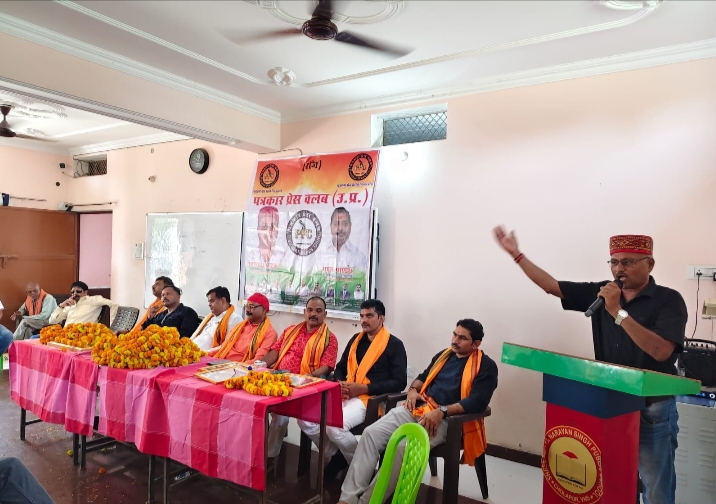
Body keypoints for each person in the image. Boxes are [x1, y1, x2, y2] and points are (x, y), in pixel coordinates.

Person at [493, 227, 686, 504]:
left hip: (652, 407)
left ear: (650, 264)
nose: (619, 269)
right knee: (618, 479)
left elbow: (660, 351)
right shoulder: (603, 293)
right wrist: (516, 254)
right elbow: (551, 286)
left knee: (655, 486)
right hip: (613, 404)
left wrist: (617, 312)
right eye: (614, 262)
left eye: (628, 262)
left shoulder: (669, 300)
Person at [338, 319, 498, 504]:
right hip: (420, 409)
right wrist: (413, 390)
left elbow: (477, 401)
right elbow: (422, 377)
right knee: (370, 434)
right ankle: (348, 499)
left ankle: (368, 501)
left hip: (448, 420)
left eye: (462, 338)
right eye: (455, 334)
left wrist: (442, 411)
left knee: (403, 448)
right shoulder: (444, 355)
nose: (455, 340)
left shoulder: (486, 366)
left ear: (476, 344)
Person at [299, 299, 407, 480]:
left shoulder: (394, 345)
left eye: (369, 316)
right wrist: (341, 383)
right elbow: (340, 367)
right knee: (306, 419)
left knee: (334, 427)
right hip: (345, 393)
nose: (364, 320)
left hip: (371, 400)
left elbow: (399, 382)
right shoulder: (356, 340)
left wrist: (364, 388)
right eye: (362, 316)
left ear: (381, 318)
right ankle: (339, 455)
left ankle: (359, 471)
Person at [261, 296, 339, 459]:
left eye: (318, 311)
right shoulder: (290, 331)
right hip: (280, 379)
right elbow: (275, 352)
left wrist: (310, 376)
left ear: (325, 314)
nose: (313, 314)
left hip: (305, 384)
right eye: (310, 310)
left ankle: (332, 453)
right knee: (258, 405)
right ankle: (267, 457)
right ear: (304, 312)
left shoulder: (329, 338)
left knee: (285, 415)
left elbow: (327, 366)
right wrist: (261, 364)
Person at [207, 293, 278, 362]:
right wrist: (207, 353)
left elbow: (258, 361)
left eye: (251, 307)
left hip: (239, 366)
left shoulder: (270, 333)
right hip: (221, 360)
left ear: (263, 310)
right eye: (247, 306)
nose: (247, 310)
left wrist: (238, 366)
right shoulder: (240, 326)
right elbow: (224, 346)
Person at [315, 207, 368, 273]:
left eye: (345, 224)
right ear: (331, 227)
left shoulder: (359, 257)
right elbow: (316, 277)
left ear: (350, 226)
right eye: (336, 224)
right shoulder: (320, 254)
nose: (340, 228)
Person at [190, 286, 242, 351]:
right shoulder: (210, 317)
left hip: (206, 355)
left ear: (223, 300)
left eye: (212, 301)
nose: (209, 304)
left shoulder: (234, 318)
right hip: (191, 350)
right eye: (209, 302)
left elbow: (227, 346)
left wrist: (203, 353)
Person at [48, 281, 118, 327]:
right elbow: (52, 321)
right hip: (65, 335)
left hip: (83, 336)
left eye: (78, 291)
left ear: (85, 292)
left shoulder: (94, 300)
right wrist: (61, 306)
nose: (75, 293)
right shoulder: (69, 305)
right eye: (72, 292)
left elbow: (113, 304)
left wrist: (113, 326)